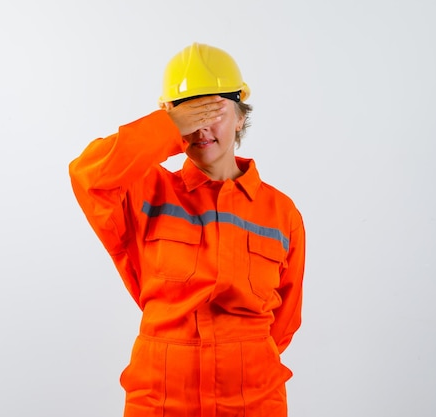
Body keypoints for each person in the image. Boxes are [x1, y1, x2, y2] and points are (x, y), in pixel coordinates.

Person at [69, 42, 306, 417]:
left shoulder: (280, 213)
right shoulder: (147, 192)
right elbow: (88, 174)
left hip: (253, 399)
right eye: (190, 113)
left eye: (214, 110)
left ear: (241, 116)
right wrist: (167, 127)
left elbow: (286, 320)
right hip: (161, 398)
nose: (201, 127)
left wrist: (240, 358)